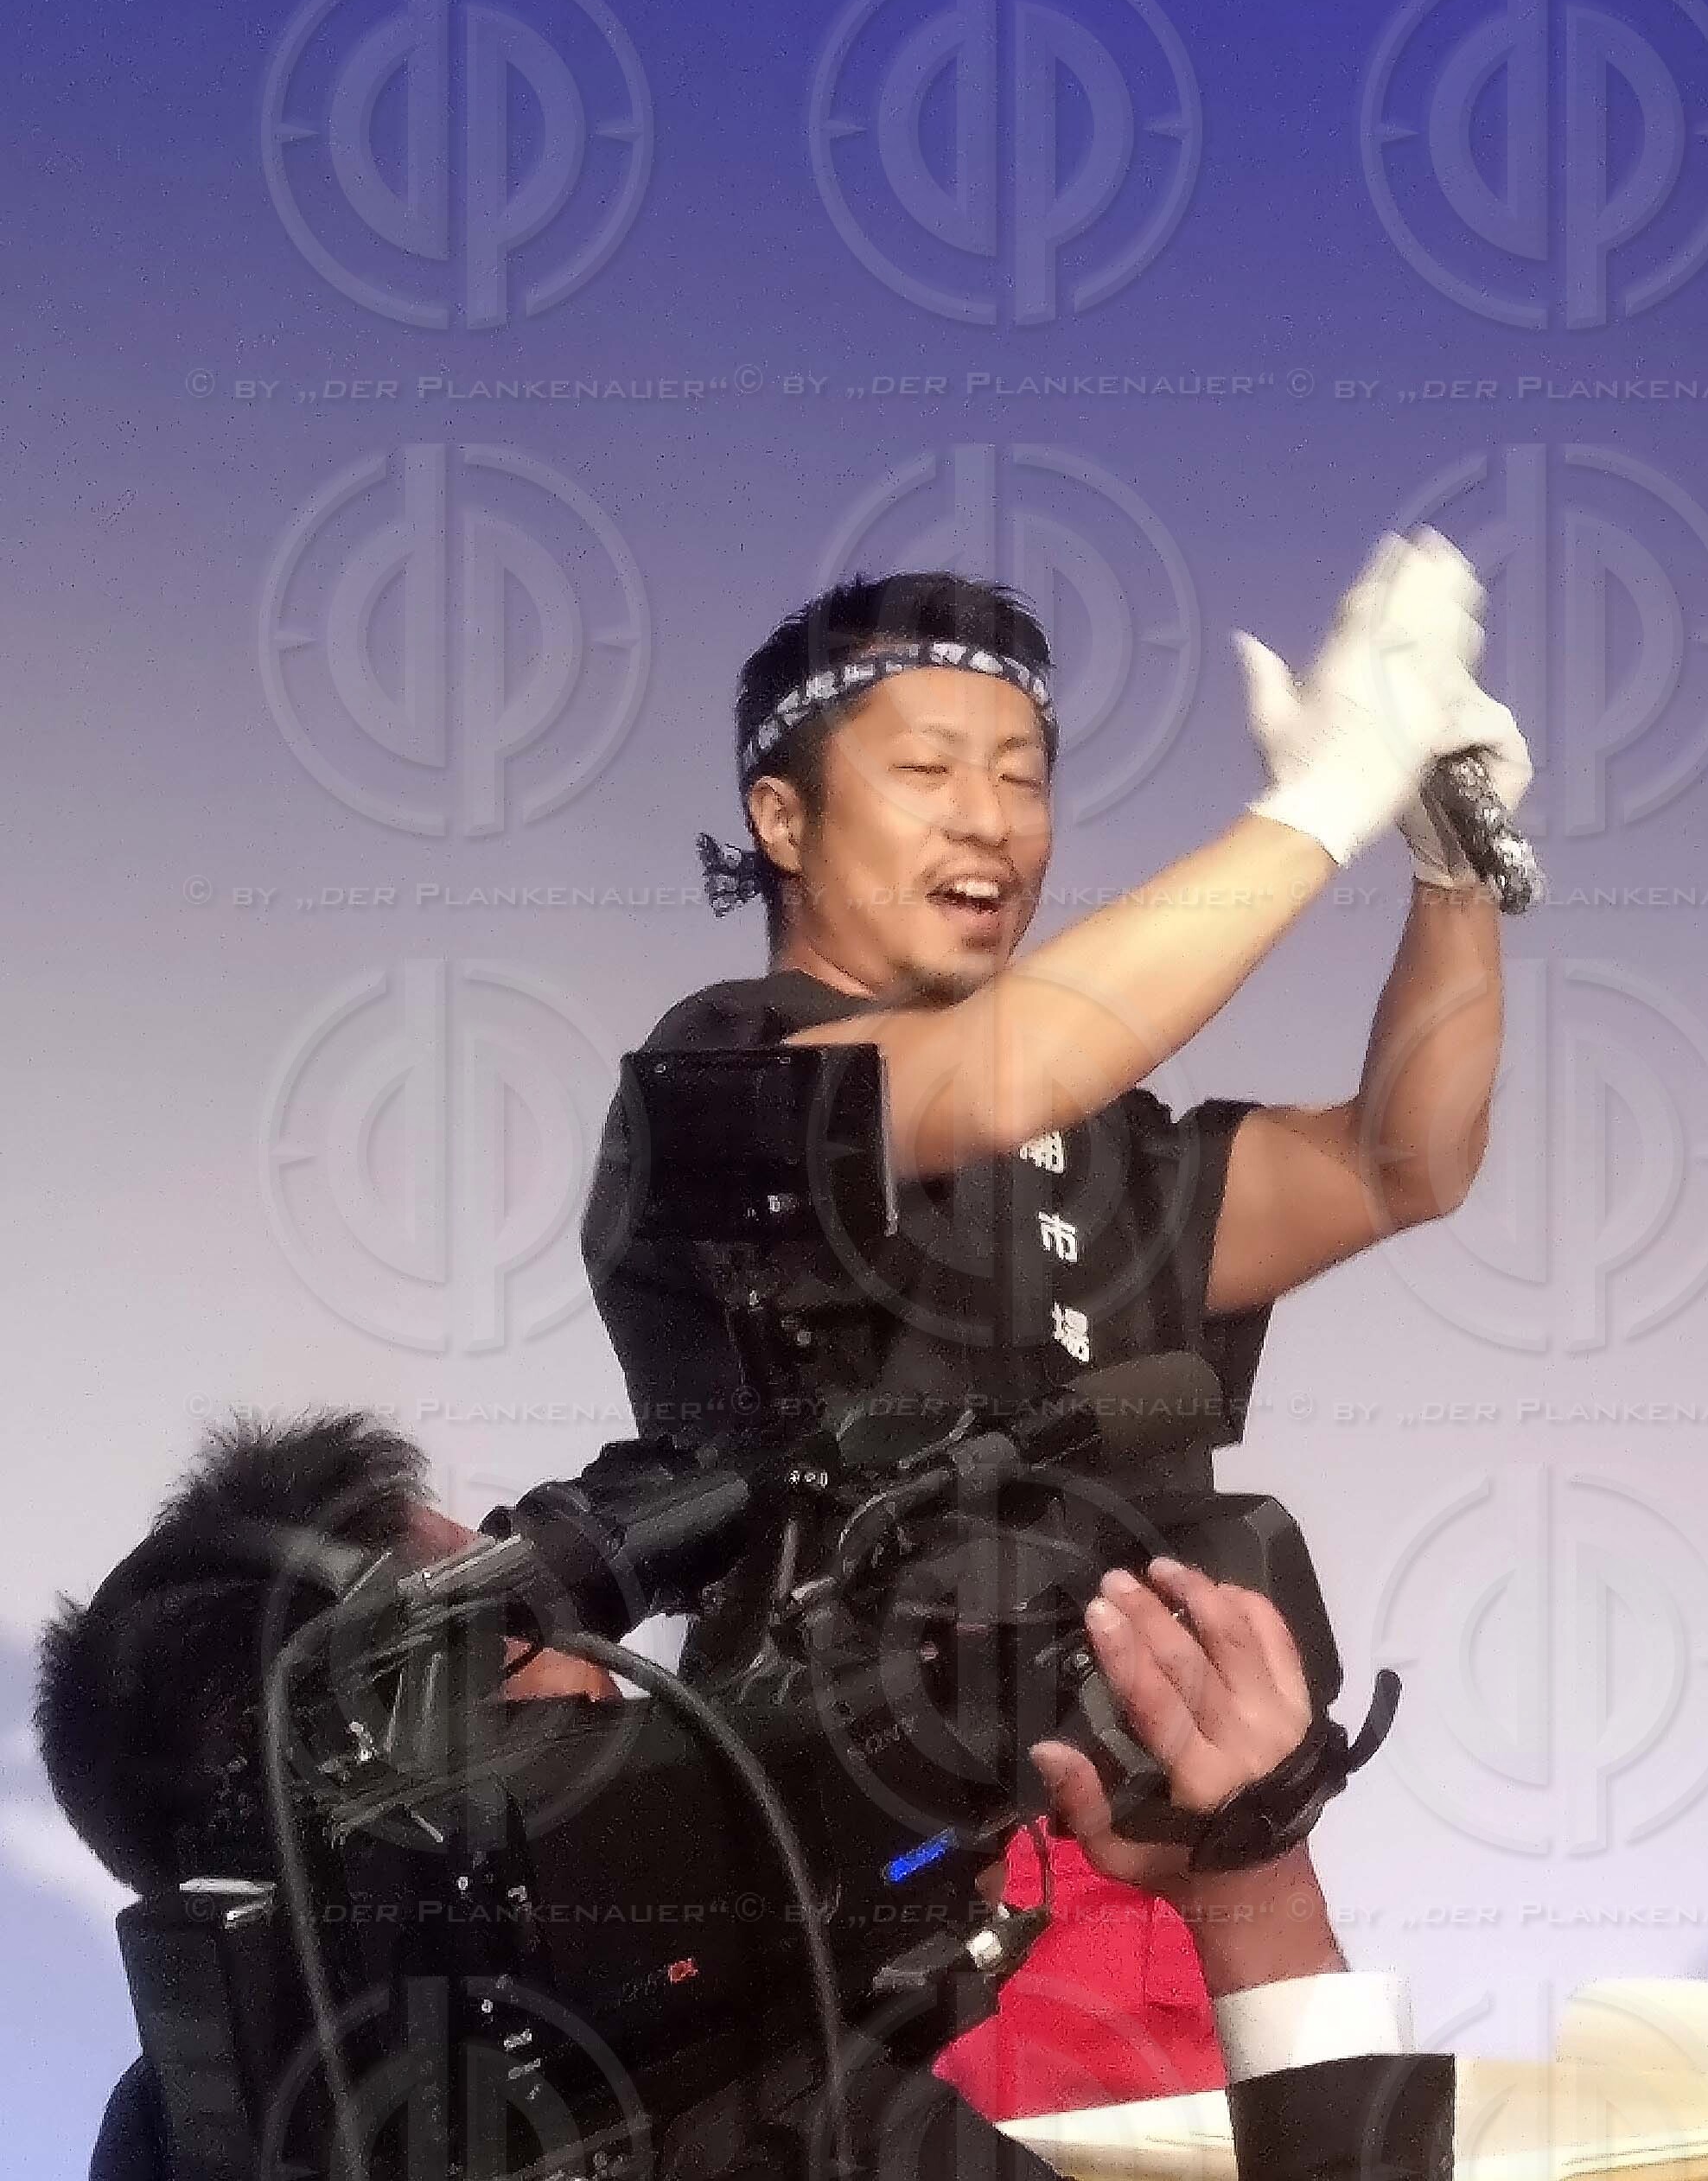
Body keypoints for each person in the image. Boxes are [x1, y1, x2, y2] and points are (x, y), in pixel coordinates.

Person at [581, 533, 1525, 2117]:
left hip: (1179, 1870)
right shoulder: (716, 1089)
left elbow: (1400, 1160)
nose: (991, 819)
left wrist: (1450, 861)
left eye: (1023, 776)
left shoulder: (1092, 1139)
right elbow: (1006, 1070)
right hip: (870, 1907)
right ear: (782, 819)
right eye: (929, 770)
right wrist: (1322, 798)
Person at [37, 1410, 1341, 2181]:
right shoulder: (779, 2128)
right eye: (560, 1666)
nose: (625, 1692)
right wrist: (1258, 1884)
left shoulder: (186, 2124)